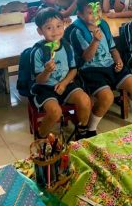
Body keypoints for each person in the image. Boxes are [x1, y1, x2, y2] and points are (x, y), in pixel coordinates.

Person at [68, 0, 132, 137]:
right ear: (80, 15)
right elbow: (86, 58)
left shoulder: (104, 25)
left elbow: (113, 49)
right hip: (91, 70)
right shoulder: (77, 32)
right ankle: (91, 129)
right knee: (107, 97)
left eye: (98, 11)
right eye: (90, 13)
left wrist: (119, 61)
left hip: (110, 65)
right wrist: (95, 41)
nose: (95, 16)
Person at [30, 8, 91, 138]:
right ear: (40, 31)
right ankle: (41, 136)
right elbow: (39, 81)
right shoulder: (38, 52)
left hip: (66, 83)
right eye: (49, 28)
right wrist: (46, 71)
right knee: (55, 112)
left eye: (58, 26)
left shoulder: (67, 47)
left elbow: (73, 69)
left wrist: (64, 83)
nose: (55, 31)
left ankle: (82, 130)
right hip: (45, 88)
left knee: (85, 100)